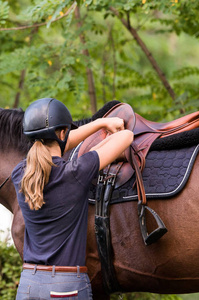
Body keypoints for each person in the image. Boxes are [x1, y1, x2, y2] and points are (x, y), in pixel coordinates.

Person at [12, 98, 133, 300]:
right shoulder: (76, 172)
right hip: (66, 287)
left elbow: (60, 142)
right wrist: (103, 123)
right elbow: (126, 136)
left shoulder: (19, 174)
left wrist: (99, 124)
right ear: (61, 134)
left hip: (29, 285)